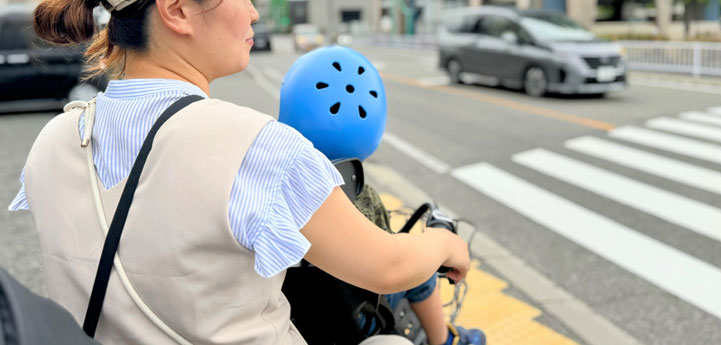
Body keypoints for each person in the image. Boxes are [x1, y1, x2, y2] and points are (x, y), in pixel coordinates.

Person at [8, 0, 471, 344]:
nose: (253, 12)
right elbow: (389, 267)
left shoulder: (54, 140)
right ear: (177, 11)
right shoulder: (254, 147)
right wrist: (446, 242)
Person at [278, 46, 486, 345]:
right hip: (356, 313)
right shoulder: (361, 196)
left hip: (302, 315)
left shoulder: (269, 171)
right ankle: (444, 340)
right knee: (419, 265)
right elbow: (391, 262)